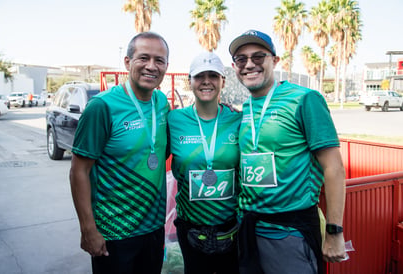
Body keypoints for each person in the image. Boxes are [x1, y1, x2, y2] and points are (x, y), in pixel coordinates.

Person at [228, 29, 346, 274]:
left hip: (290, 233)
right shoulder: (247, 106)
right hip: (249, 229)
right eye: (242, 59)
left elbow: (334, 167)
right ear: (235, 66)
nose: (249, 64)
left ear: (275, 60)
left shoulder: (305, 99)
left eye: (258, 57)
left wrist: (334, 231)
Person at [69, 32, 170, 274]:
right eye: (143, 58)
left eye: (159, 60)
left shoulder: (161, 103)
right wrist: (88, 229)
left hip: (154, 227)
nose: (151, 66)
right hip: (114, 232)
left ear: (166, 66)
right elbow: (78, 171)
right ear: (127, 62)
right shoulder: (102, 107)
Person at [168, 52, 241, 274]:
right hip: (191, 227)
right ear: (190, 81)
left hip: (231, 227)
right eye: (200, 76)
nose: (206, 81)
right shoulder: (174, 120)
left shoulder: (238, 119)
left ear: (223, 82)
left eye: (213, 75)